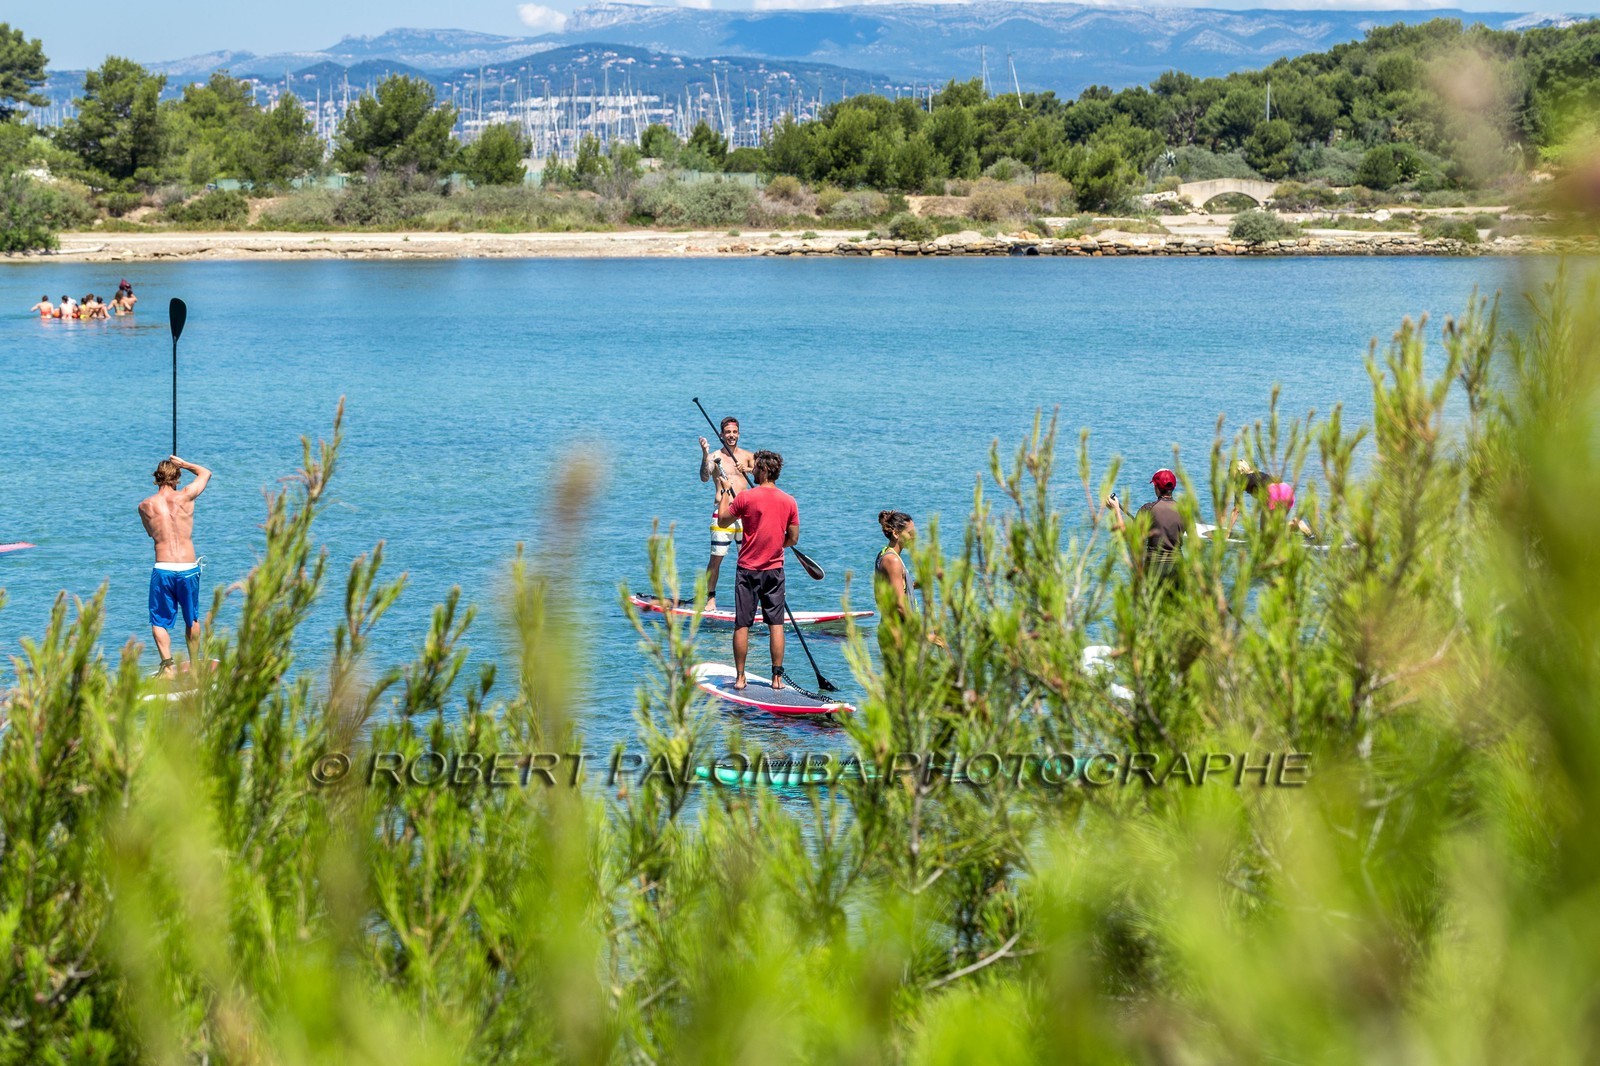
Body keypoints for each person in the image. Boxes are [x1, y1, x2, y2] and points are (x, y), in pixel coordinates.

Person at [714, 449, 798, 690]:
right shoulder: (789, 501)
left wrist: (723, 491)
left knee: (742, 624)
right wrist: (775, 544)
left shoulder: (746, 497)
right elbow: (793, 538)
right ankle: (777, 679)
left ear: (761, 470)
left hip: (748, 570)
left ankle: (741, 678)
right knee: (776, 624)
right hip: (775, 570)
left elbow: (722, 521)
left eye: (755, 466)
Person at [138, 456, 212, 678]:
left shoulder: (144, 506)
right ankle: (195, 667)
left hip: (163, 568)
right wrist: (185, 464)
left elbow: (152, 533)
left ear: (156, 478)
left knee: (159, 620)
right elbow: (206, 473)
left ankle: (168, 666)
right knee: (192, 619)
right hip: (188, 568)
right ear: (177, 478)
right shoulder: (186, 496)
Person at [698, 415, 753, 610]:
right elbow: (705, 477)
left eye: (735, 432)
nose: (731, 436)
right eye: (728, 432)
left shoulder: (747, 456)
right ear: (721, 434)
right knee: (716, 557)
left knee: (749, 560)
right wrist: (705, 453)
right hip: (722, 512)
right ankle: (710, 598)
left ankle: (750, 600)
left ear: (739, 434)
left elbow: (763, 475)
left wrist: (746, 468)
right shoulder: (714, 457)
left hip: (745, 515)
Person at [1107, 468, 1187, 578]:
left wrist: (1116, 509)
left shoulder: (1147, 510)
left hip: (1154, 569)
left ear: (1156, 488)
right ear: (1173, 487)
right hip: (1178, 568)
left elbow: (1126, 535)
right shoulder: (1184, 510)